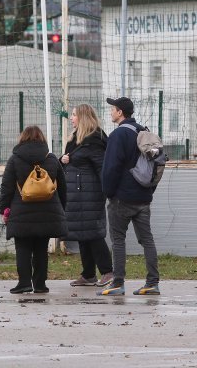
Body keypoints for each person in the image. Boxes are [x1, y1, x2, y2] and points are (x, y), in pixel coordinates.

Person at [100, 97, 160, 296]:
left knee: (118, 240)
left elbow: (111, 168)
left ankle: (117, 283)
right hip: (143, 197)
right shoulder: (142, 132)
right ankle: (152, 283)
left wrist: (108, 192)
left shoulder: (118, 135)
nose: (111, 112)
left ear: (120, 112)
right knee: (147, 240)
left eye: (113, 109)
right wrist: (148, 191)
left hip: (122, 198)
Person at [0, 126, 68, 294]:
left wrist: (4, 209)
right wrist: (60, 209)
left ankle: (24, 283)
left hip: (21, 212)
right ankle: (40, 284)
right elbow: (63, 188)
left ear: (22, 139)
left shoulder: (15, 159)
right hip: (47, 212)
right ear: (42, 139)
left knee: (22, 248)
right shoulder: (51, 159)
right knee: (40, 250)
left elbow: (7, 187)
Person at [61, 104, 114, 288]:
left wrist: (107, 190)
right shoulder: (76, 139)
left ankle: (108, 271)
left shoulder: (95, 140)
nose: (71, 118)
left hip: (90, 193)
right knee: (82, 234)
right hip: (76, 194)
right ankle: (88, 274)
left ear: (83, 117)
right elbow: (70, 162)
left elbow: (102, 168)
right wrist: (64, 160)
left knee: (93, 234)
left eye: (74, 115)